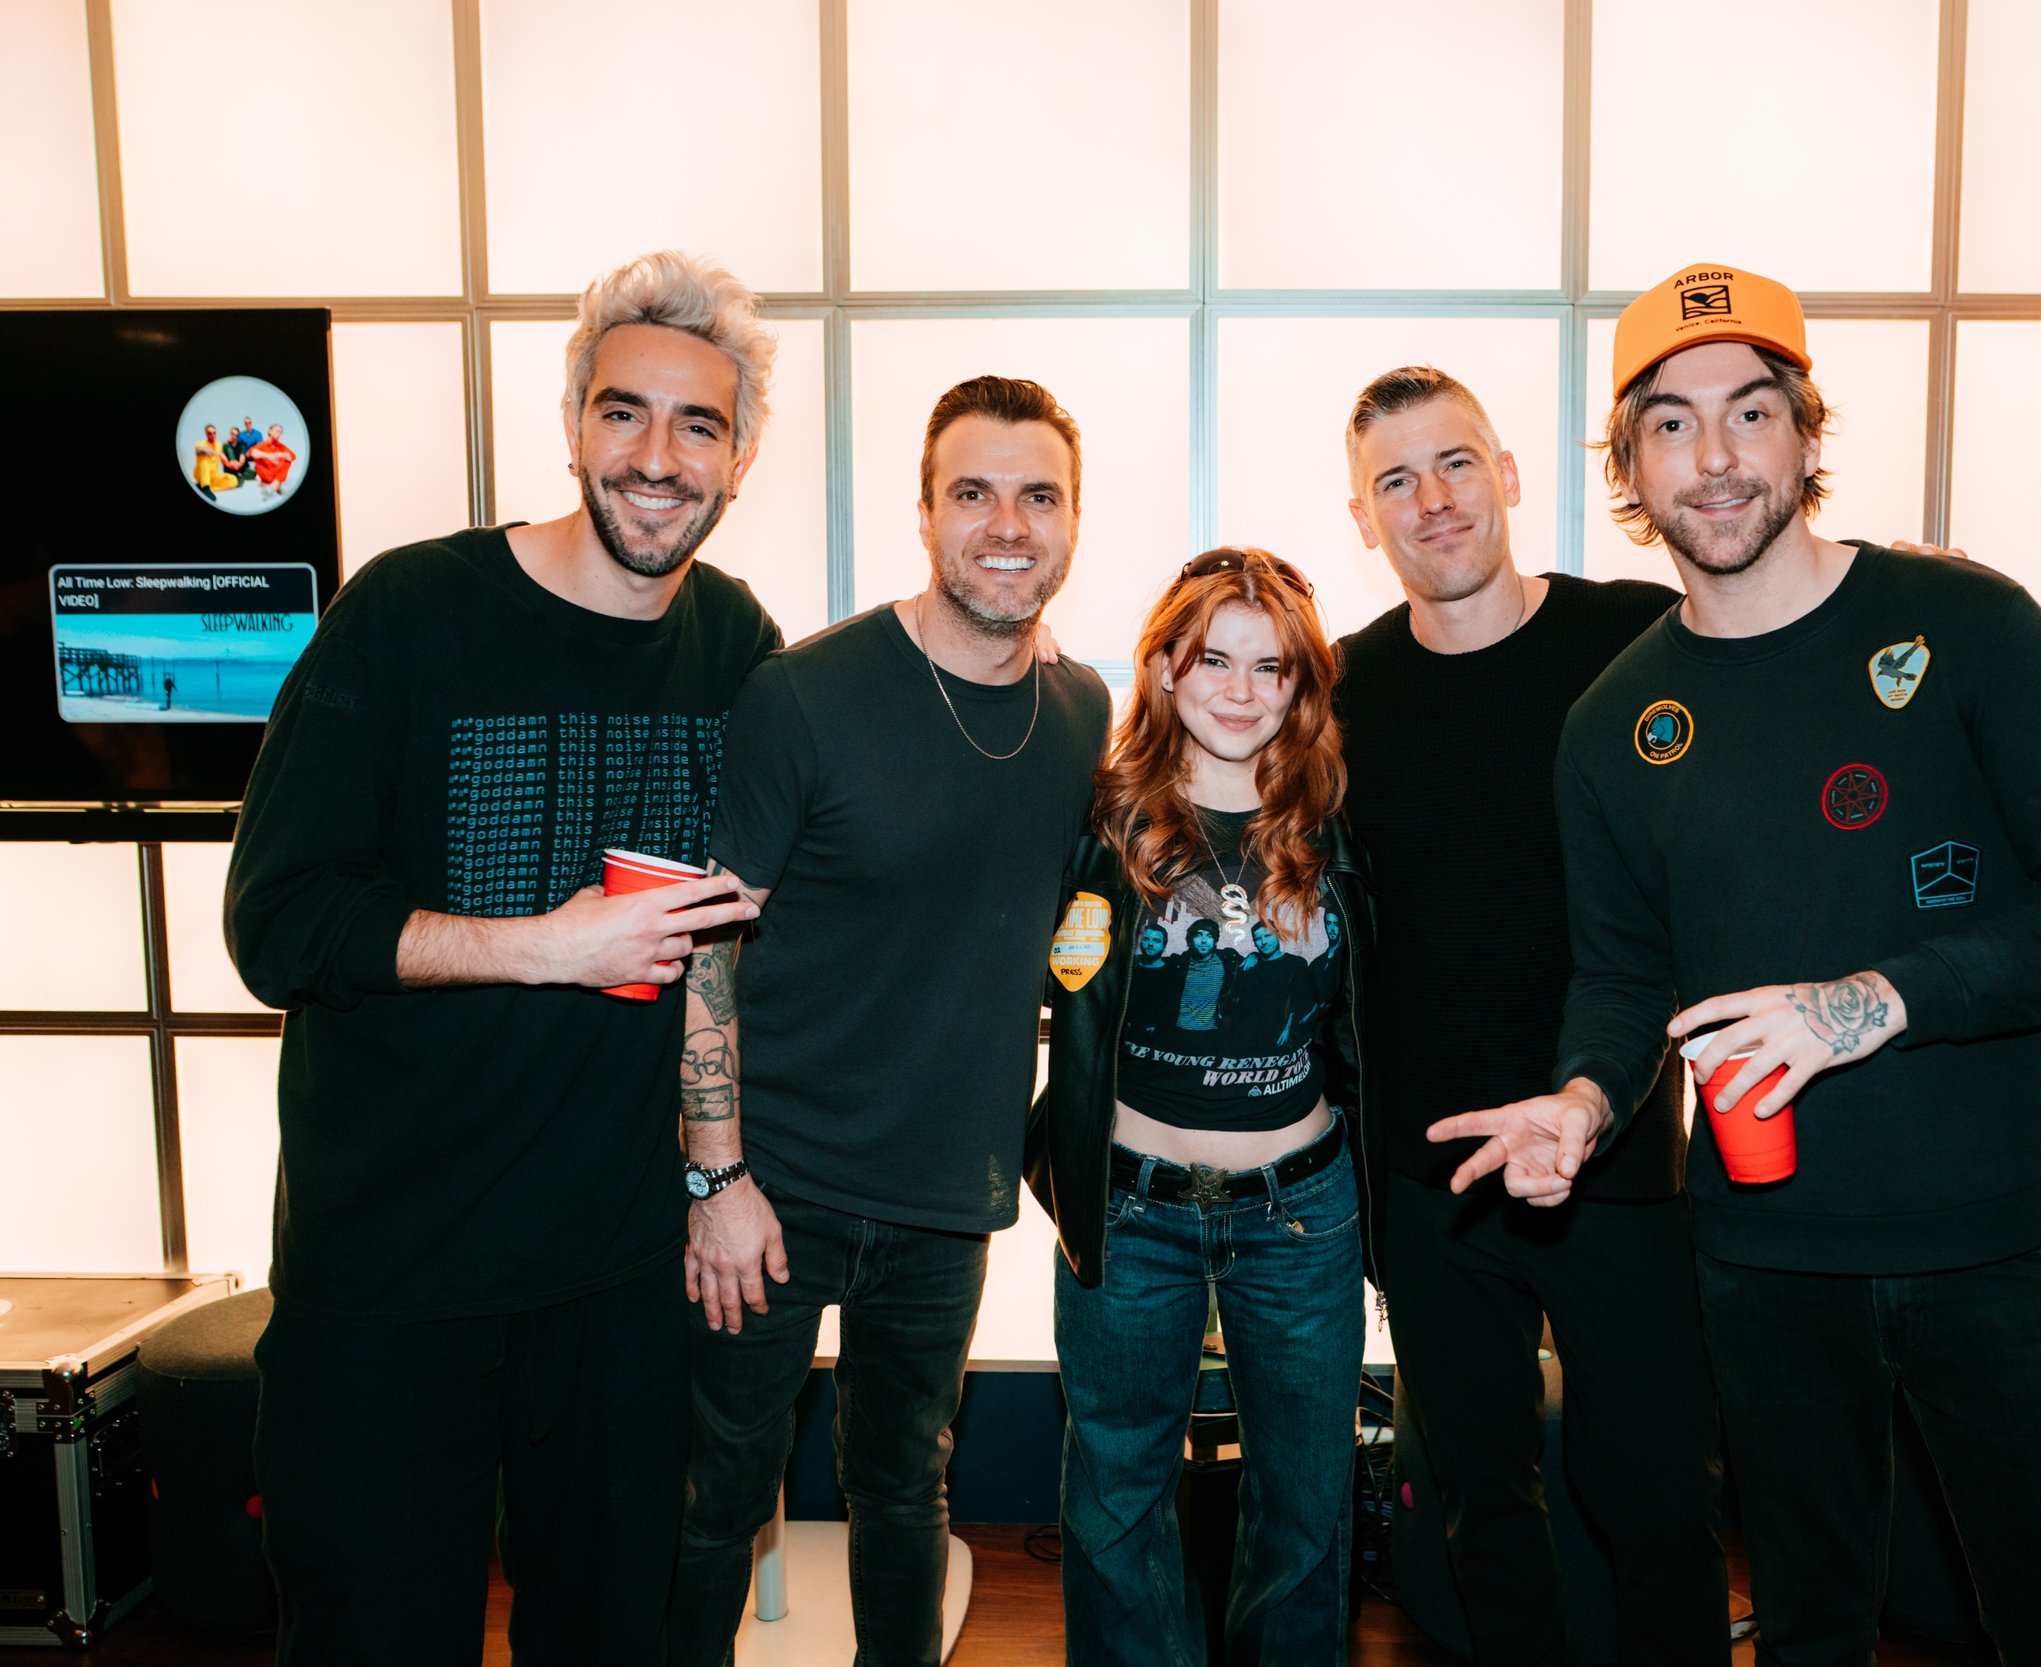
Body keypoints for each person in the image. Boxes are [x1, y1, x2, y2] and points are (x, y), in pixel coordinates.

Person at [1451, 263, 2041, 1665]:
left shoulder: (1969, 627)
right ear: (1628, 463)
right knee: (1809, 1618)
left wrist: (1867, 1005)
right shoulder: (1615, 722)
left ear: (1805, 431)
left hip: (2005, 1239)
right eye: (1669, 423)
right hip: (1767, 1258)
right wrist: (1584, 1103)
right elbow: (1621, 977)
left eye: (1750, 412)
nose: (1713, 458)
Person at [225, 249, 783, 1665]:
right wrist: (539, 946)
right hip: (391, 1266)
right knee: (371, 1632)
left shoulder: (735, 645)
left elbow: (728, 943)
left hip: (612, 1270)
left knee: (609, 1631)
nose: (657, 458)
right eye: (624, 412)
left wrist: (718, 1171)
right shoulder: (408, 614)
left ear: (741, 454)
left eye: (698, 425)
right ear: (573, 422)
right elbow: (279, 920)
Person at [667, 376, 1112, 1667]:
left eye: (1039, 494)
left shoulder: (1084, 712)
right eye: (973, 492)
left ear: (1074, 519)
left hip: (945, 1191)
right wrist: (717, 1173)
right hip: (776, 1187)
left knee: (907, 1482)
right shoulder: (804, 694)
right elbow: (707, 946)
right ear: (926, 512)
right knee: (719, 1489)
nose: (1007, 523)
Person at [1333, 364, 1729, 1665]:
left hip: (1613, 1151)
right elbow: (1204, 761)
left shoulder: (1636, 634)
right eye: (1396, 478)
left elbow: (1794, 664)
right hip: (1431, 1172)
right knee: (1481, 1501)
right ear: (1363, 513)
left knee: (1663, 1496)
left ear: (1507, 473)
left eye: (1456, 463)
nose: (1432, 498)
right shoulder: (1339, 692)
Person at [1027, 546, 1372, 1667]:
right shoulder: (1100, 814)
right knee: (1115, 1498)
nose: (1239, 688)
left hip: (1301, 1212)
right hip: (1131, 1212)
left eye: (1270, 667)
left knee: (1306, 1502)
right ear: (1165, 667)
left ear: (1300, 685)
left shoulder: (1338, 822)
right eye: (1210, 657)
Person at [249, 421, 298, 500]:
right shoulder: (263, 444)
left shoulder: (281, 447)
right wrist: (269, 456)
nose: (279, 433)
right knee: (258, 456)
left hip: (275, 477)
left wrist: (279, 455)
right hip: (265, 474)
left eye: (281, 432)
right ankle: (276, 487)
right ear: (270, 431)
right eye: (277, 431)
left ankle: (273, 487)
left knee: (287, 461)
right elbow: (252, 452)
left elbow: (293, 456)